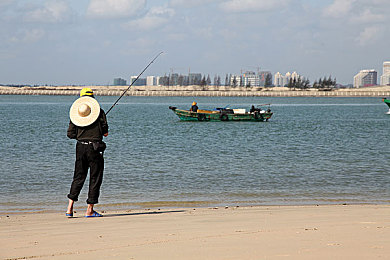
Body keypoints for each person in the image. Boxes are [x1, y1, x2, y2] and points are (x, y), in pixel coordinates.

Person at [66, 88, 108, 218]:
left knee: (78, 177)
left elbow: (70, 134)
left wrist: (82, 134)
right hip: (95, 149)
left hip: (80, 148)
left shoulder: (76, 115)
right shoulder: (100, 112)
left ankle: (69, 208)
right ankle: (89, 209)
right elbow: (105, 133)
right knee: (95, 178)